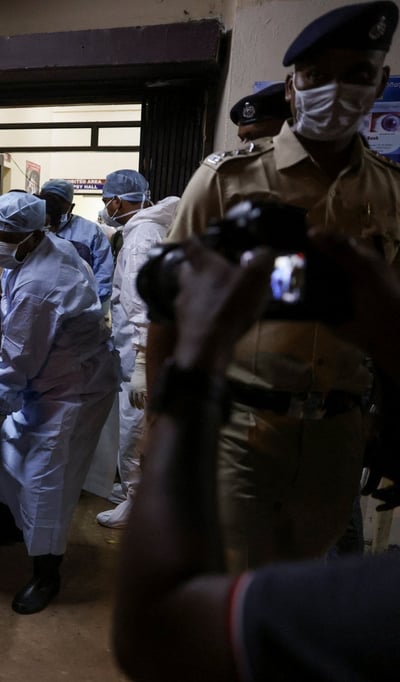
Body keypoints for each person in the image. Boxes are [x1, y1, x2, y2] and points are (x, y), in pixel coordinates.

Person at [148, 0, 400, 572]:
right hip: (240, 424)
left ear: (380, 83)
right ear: (291, 88)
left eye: (357, 74)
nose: (335, 91)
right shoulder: (227, 181)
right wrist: (163, 425)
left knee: (303, 581)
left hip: (339, 432)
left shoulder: (391, 194)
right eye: (316, 75)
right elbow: (169, 306)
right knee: (233, 582)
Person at [114, 232, 400, 682]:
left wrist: (194, 371)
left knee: (299, 568)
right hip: (250, 422)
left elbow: (156, 630)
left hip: (332, 425)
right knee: (240, 565)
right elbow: (165, 308)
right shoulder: (218, 193)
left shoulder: (376, 610)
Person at [0, 191, 119, 615]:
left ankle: (46, 572)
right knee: (8, 455)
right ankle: (9, 524)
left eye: (8, 237)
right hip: (43, 380)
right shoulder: (41, 250)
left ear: (34, 235)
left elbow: (18, 356)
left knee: (45, 479)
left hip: (70, 390)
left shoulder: (41, 284)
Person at [95, 171, 179, 529]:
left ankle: (136, 501)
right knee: (138, 425)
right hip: (140, 348)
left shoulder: (140, 239)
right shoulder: (149, 230)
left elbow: (144, 305)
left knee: (135, 427)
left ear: (117, 201)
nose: (105, 208)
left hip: (140, 351)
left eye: (107, 201)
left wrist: (144, 362)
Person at [38, 178, 114, 306]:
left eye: (59, 202)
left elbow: (103, 274)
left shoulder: (90, 232)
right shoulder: (32, 227)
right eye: (48, 201)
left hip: (82, 307)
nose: (53, 206)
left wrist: (89, 305)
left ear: (71, 207)